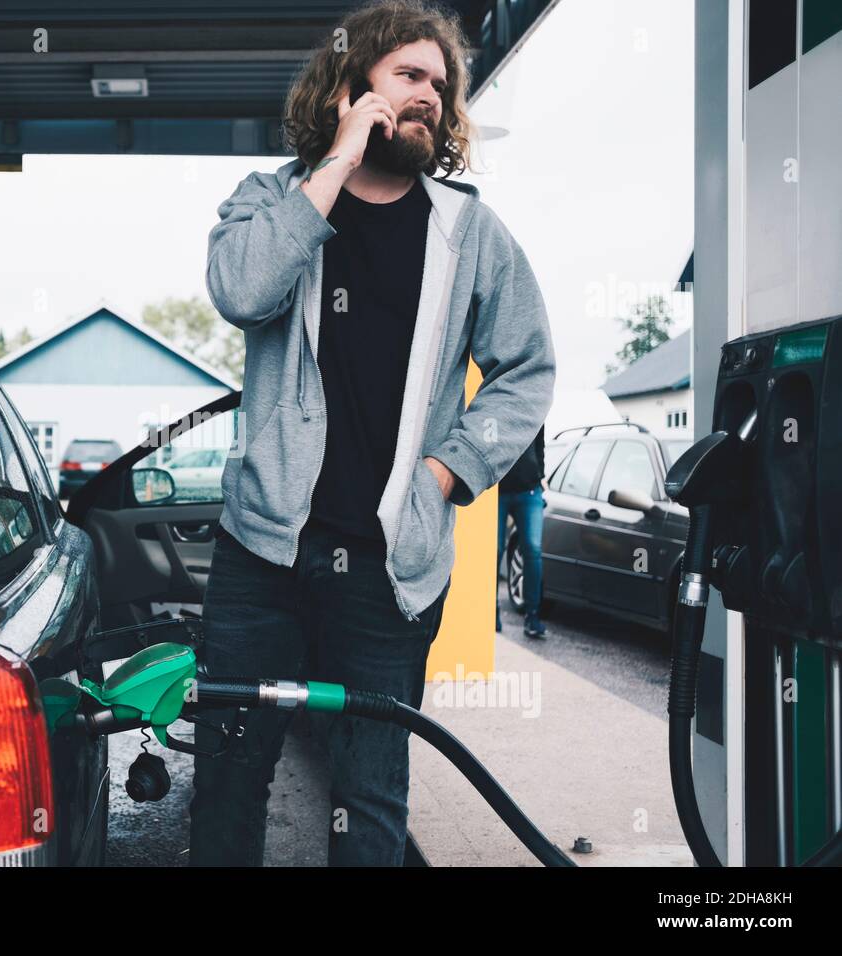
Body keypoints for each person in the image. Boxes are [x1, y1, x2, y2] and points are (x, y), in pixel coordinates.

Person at [190, 0, 556, 866]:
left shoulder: (470, 234)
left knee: (371, 803)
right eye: (409, 75)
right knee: (230, 783)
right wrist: (339, 157)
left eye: (441, 82)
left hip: (390, 570)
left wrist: (445, 472)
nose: (430, 94)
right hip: (261, 560)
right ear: (355, 87)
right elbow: (241, 291)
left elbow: (528, 370)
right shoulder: (272, 200)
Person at [497, 427, 548, 638]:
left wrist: (540, 474)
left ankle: (532, 616)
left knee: (533, 549)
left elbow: (539, 443)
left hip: (530, 490)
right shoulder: (497, 399)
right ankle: (490, 612)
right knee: (495, 549)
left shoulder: (535, 402)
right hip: (497, 489)